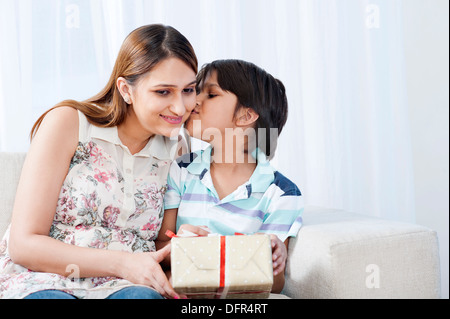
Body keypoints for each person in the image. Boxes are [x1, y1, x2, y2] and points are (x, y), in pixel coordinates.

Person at [0, 24, 198, 299]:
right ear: (126, 90)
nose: (180, 108)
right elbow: (23, 244)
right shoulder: (68, 123)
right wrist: (122, 262)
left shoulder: (178, 146)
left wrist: (186, 247)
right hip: (45, 278)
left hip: (127, 286)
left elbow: (162, 242)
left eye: (188, 90)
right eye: (163, 92)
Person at [157, 59, 304, 293]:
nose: (193, 100)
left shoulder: (282, 193)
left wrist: (271, 256)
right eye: (196, 91)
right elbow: (159, 248)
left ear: (246, 116)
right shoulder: (181, 170)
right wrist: (178, 246)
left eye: (211, 94)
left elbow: (275, 285)